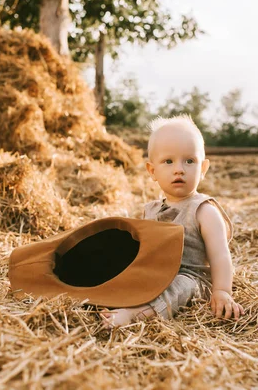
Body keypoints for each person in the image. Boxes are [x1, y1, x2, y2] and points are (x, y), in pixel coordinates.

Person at [101, 115, 244, 327]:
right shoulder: (151, 210)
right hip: (156, 276)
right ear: (152, 171)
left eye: (189, 161)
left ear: (203, 169)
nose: (179, 169)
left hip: (192, 279)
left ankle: (136, 315)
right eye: (168, 161)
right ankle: (108, 298)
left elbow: (221, 255)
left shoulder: (204, 210)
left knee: (181, 286)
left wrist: (222, 291)